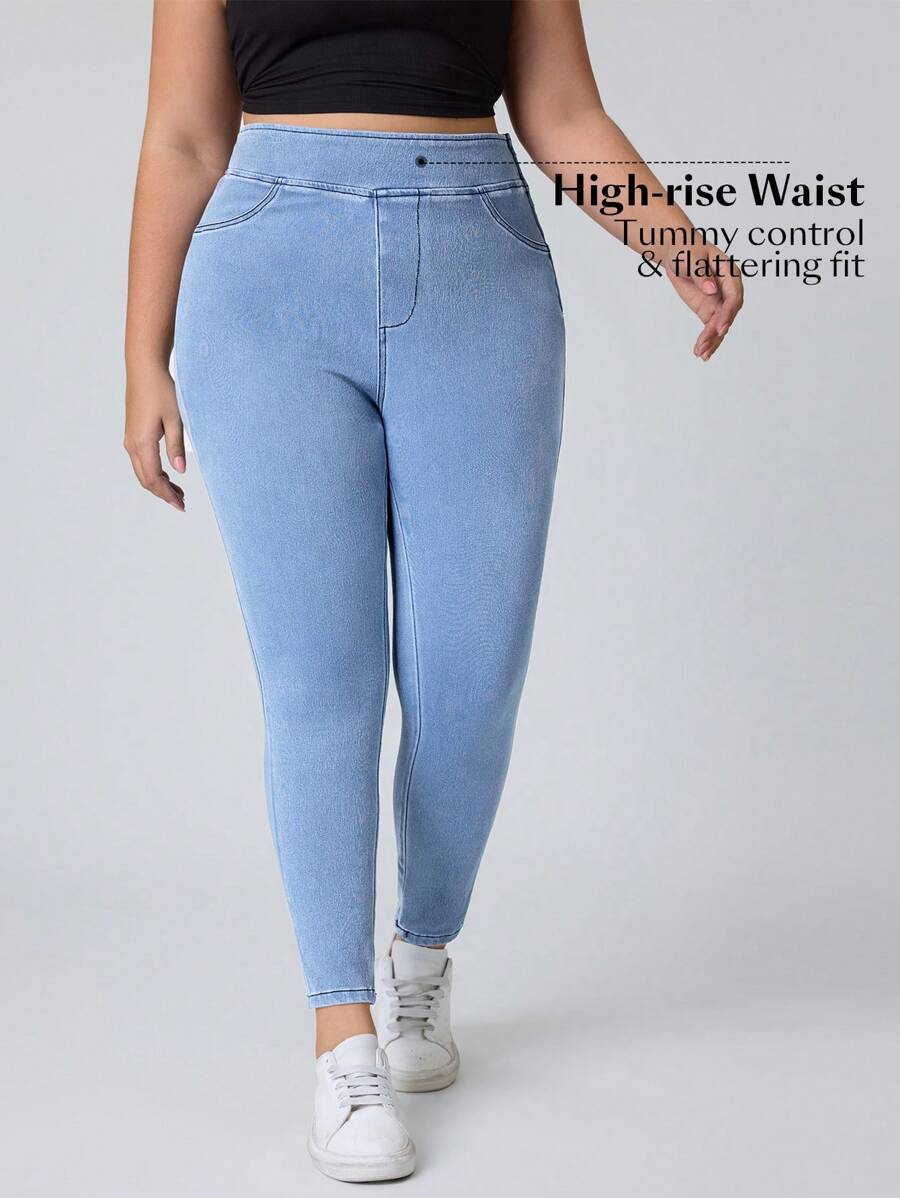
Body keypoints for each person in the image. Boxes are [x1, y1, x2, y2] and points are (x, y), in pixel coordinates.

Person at [124, 1, 743, 1181]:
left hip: (477, 272)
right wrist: (140, 353)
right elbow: (186, 135)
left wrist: (674, 242)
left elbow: (561, 112)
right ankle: (341, 1032)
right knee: (321, 680)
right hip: (266, 280)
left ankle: (422, 954)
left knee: (471, 680)